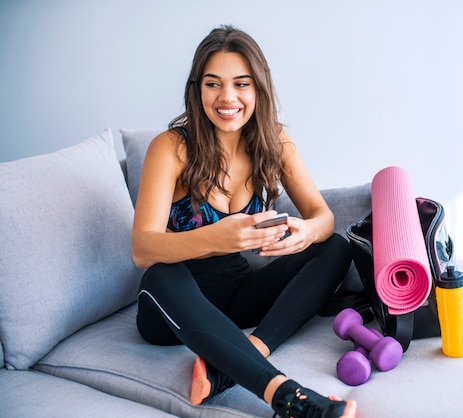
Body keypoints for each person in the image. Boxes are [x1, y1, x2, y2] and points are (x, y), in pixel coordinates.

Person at [131, 25, 357, 418]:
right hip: (173, 307)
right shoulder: (171, 148)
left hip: (235, 299)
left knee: (335, 245)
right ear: (197, 90)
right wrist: (215, 239)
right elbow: (142, 248)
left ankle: (243, 356)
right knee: (159, 276)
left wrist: (305, 233)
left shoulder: (276, 141)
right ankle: (290, 399)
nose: (227, 97)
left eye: (241, 83)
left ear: (258, 89)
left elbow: (324, 217)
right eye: (213, 84)